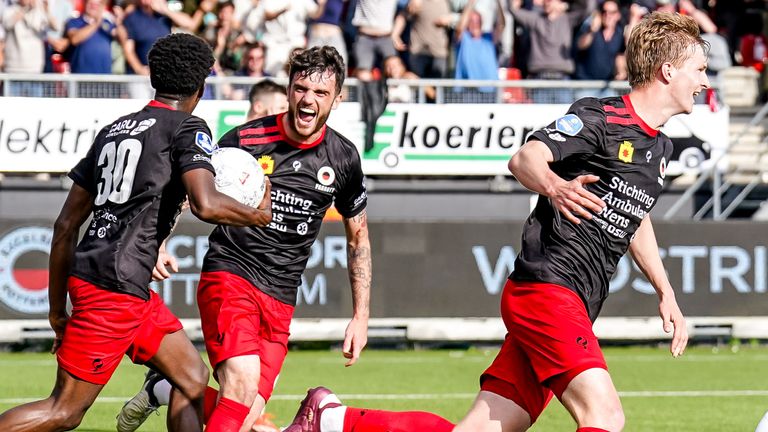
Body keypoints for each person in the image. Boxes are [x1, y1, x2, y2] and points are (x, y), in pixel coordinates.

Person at [284, 11, 704, 432]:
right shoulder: (602, 119)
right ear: (668, 70)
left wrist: (665, 291)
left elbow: (635, 214)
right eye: (699, 70)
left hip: (574, 300)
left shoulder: (660, 147)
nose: (705, 82)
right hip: (548, 291)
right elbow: (524, 158)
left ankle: (333, 419)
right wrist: (556, 188)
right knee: (605, 416)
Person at [0, 33, 272, 432]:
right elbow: (207, 203)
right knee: (64, 411)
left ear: (153, 78)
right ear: (201, 86)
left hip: (118, 284)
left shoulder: (115, 129)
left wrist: (58, 310)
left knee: (192, 377)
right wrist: (259, 214)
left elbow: (65, 227)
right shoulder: (188, 127)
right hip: (115, 290)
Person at [118, 45, 371, 432]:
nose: (308, 100)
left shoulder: (343, 157)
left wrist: (360, 316)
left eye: (321, 93)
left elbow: (358, 238)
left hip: (282, 296)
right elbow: (186, 193)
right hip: (231, 274)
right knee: (241, 382)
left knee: (246, 412)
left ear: (337, 99)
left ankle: (168, 388)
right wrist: (160, 242)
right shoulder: (246, 140)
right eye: (301, 88)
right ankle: (173, 387)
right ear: (289, 90)